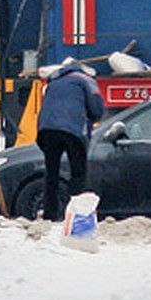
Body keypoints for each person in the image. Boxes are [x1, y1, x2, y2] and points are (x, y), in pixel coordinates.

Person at [36, 57, 105, 221]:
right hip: (72, 131)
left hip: (46, 131)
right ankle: (76, 215)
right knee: (78, 172)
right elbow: (97, 110)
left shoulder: (54, 82)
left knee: (51, 172)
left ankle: (49, 215)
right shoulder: (86, 80)